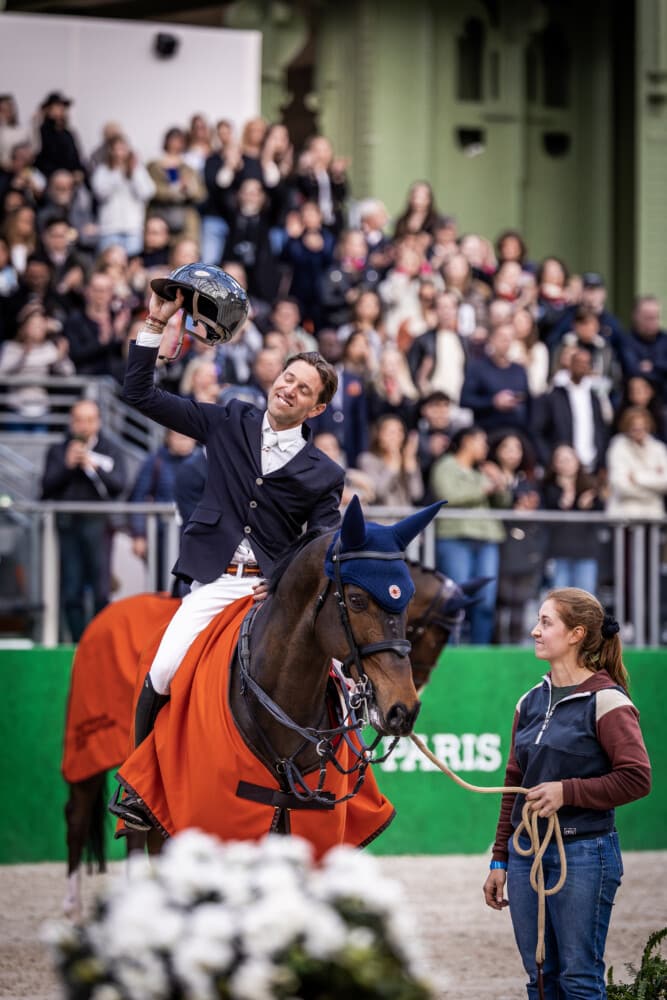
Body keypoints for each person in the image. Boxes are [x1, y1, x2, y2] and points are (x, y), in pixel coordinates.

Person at [115, 266, 343, 829]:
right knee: (165, 670)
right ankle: (143, 786)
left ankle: (331, 778)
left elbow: (322, 541)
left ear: (315, 409)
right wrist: (155, 322)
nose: (288, 388)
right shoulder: (230, 420)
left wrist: (288, 576)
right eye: (286, 378)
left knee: (339, 677)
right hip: (215, 581)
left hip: (273, 592)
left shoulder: (324, 472)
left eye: (303, 389)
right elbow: (139, 392)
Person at [483, 587, 651, 999]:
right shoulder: (529, 701)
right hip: (527, 857)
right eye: (538, 622)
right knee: (539, 978)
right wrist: (499, 858)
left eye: (545, 623)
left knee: (578, 980)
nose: (534, 631)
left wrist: (567, 792)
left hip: (585, 853)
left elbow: (636, 777)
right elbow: (513, 783)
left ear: (576, 634)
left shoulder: (607, 700)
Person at [40, 399, 127, 641]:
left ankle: (98, 641)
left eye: (89, 420)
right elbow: (45, 489)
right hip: (68, 525)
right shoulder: (58, 451)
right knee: (71, 589)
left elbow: (119, 486)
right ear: (71, 422)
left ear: (98, 422)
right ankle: (79, 643)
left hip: (99, 525)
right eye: (79, 420)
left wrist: (95, 467)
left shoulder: (110, 449)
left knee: (101, 589)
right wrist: (67, 466)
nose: (84, 426)